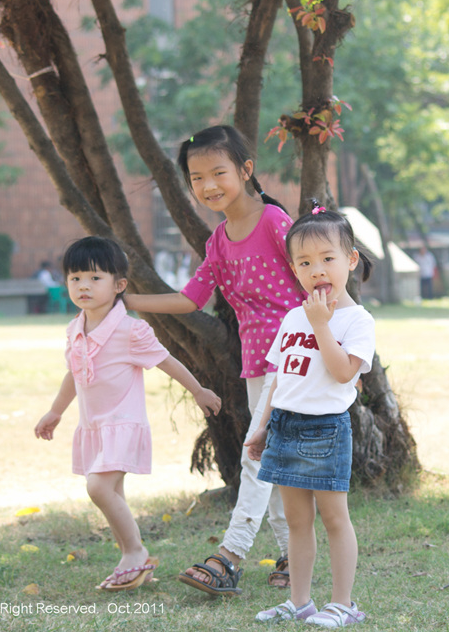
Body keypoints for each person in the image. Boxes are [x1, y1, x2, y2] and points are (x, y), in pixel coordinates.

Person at [123, 125, 304, 595]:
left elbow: (316, 280)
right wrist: (127, 301)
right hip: (257, 363)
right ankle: (292, 555)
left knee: (256, 454)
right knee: (270, 457)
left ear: (245, 170)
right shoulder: (220, 240)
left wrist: (342, 353)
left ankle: (230, 556)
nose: (208, 185)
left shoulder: (274, 222)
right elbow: (190, 299)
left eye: (218, 172)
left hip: (295, 361)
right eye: (197, 178)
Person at [34, 236, 222, 592]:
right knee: (112, 492)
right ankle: (134, 563)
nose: (84, 286)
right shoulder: (75, 329)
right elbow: (75, 372)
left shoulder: (130, 330)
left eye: (95, 278)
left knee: (98, 487)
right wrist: (55, 411)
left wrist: (198, 390)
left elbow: (166, 361)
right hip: (94, 426)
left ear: (119, 285)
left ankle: (135, 551)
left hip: (123, 424)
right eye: (75, 278)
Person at [245, 207, 375, 627]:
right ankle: (299, 602)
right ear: (293, 269)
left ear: (350, 260)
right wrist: (263, 426)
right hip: (285, 425)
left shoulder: (357, 320)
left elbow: (343, 373)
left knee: (335, 519)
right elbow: (281, 379)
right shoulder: (292, 317)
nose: (316, 270)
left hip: (325, 431)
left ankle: (343, 604)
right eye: (304, 262)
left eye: (327, 258)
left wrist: (322, 325)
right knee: (296, 521)